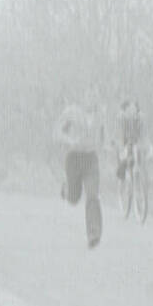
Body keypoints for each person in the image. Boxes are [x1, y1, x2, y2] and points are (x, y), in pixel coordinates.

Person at [53, 88, 105, 248]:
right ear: (83, 98)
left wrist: (107, 146)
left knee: (92, 195)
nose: (91, 99)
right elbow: (57, 132)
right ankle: (66, 190)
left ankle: (93, 233)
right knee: (73, 198)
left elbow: (103, 136)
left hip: (91, 159)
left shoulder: (101, 115)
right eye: (89, 96)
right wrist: (69, 140)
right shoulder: (71, 112)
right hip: (74, 159)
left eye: (94, 96)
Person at [115, 99, 144, 181]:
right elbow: (122, 133)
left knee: (128, 161)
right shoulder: (123, 117)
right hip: (126, 143)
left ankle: (129, 172)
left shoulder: (135, 117)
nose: (131, 110)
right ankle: (126, 172)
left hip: (129, 143)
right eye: (129, 108)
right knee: (127, 162)